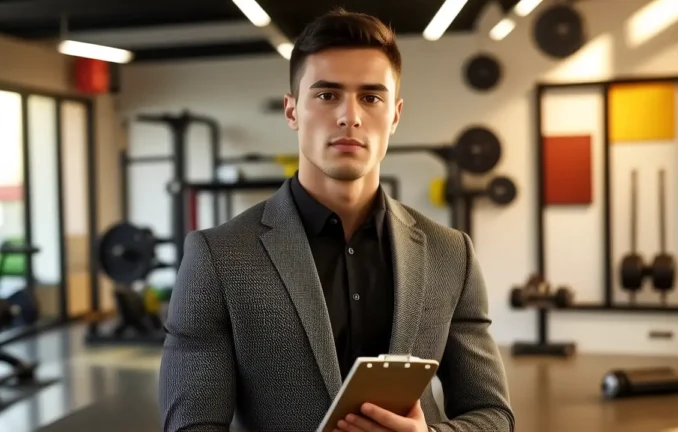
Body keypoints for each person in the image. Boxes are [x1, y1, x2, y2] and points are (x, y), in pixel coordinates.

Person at [158, 7, 514, 432]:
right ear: (292, 112)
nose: (350, 116)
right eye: (327, 95)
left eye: (371, 97)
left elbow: (493, 416)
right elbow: (191, 426)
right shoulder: (218, 257)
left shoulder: (451, 253)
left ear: (395, 114)